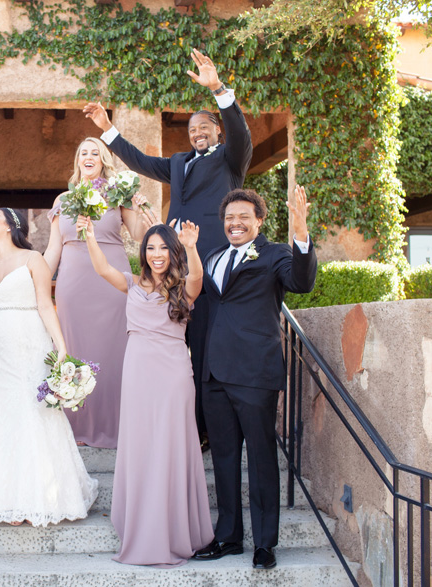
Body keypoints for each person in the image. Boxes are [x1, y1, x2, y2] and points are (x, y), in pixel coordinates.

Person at [84, 48, 253, 451]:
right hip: (174, 267)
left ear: (217, 130)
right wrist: (108, 130)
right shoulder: (179, 163)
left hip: (210, 264)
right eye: (192, 129)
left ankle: (208, 429)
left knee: (205, 346)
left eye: (205, 128)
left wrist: (218, 89)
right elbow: (140, 161)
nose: (197, 133)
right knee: (178, 340)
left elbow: (241, 134)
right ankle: (180, 427)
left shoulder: (231, 159)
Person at [0, 208, 99, 527]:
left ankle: (37, 496)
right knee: (0, 408)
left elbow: (45, 304)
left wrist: (61, 348)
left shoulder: (33, 260)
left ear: (11, 225)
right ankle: (2, 497)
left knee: (33, 410)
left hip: (31, 343)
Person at [192, 187, 316, 570]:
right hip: (214, 374)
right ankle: (229, 536)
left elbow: (301, 281)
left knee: (261, 460)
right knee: (225, 460)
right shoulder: (211, 257)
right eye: (229, 218)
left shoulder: (276, 253)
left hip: (255, 373)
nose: (235, 223)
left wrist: (300, 232)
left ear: (259, 220)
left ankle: (264, 543)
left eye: (244, 217)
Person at [79, 214, 213, 567]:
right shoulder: (132, 283)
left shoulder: (183, 285)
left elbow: (198, 278)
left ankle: (173, 529)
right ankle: (141, 524)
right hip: (137, 371)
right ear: (144, 252)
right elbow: (102, 269)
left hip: (172, 375)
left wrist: (192, 247)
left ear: (172, 252)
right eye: (150, 248)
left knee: (170, 445)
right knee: (141, 444)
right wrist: (90, 237)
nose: (156, 254)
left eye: (163, 248)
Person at [43, 137, 155, 449]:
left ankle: (116, 425)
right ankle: (77, 427)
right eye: (83, 153)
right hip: (73, 285)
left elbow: (136, 235)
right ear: (77, 161)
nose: (89, 157)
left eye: (95, 153)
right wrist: (35, 279)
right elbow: (53, 250)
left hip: (111, 284)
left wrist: (138, 206)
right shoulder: (63, 200)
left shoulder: (117, 195)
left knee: (114, 352)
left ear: (103, 160)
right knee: (76, 351)